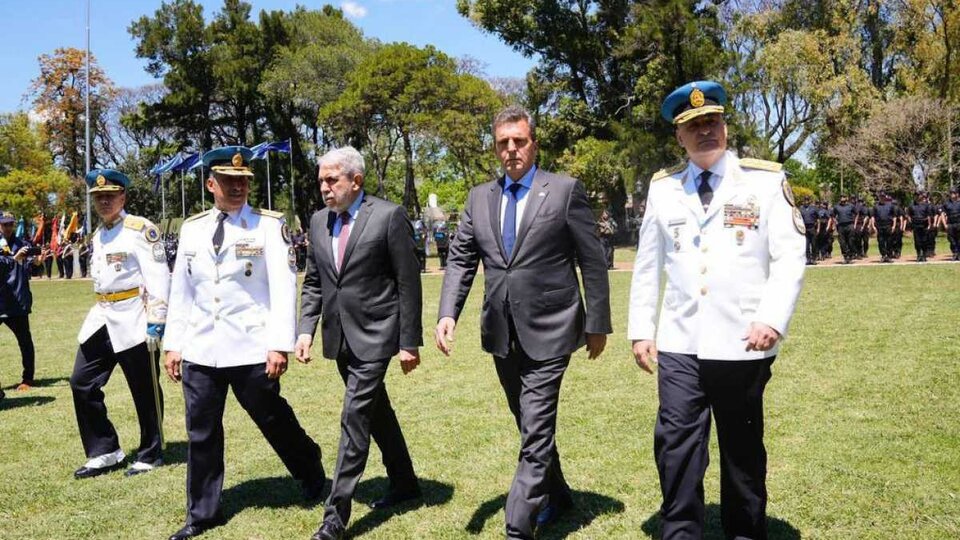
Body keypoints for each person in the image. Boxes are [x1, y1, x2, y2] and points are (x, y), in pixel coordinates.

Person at [629, 81, 806, 540]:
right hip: (680, 342)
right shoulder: (664, 189)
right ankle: (680, 532)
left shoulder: (764, 181)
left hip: (743, 340)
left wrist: (772, 318)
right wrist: (640, 330)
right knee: (676, 447)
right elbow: (648, 264)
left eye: (712, 121)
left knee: (741, 449)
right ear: (679, 137)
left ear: (725, 126)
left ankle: (744, 532)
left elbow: (790, 256)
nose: (705, 131)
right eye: (694, 126)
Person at [436, 105, 612, 540]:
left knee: (534, 429)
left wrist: (598, 322)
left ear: (534, 143)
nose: (511, 149)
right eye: (503, 143)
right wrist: (446, 313)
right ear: (495, 148)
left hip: (553, 326)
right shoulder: (480, 197)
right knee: (526, 420)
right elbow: (461, 258)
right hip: (501, 331)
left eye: (519, 140)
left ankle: (518, 527)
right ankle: (560, 495)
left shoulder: (565, 190)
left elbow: (591, 259)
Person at [163, 147, 324, 540]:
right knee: (200, 430)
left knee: (272, 418)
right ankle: (202, 514)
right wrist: (174, 343)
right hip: (202, 347)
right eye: (229, 181)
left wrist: (278, 344)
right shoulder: (192, 228)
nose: (237, 187)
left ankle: (311, 470)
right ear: (211, 184)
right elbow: (181, 290)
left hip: (252, 346)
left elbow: (284, 289)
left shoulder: (269, 226)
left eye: (244, 181)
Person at [295, 147, 423, 540]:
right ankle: (404, 482)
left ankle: (335, 516)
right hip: (339, 337)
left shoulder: (388, 216)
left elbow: (407, 281)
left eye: (332, 180)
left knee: (354, 418)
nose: (324, 187)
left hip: (378, 333)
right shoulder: (318, 222)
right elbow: (315, 282)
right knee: (375, 411)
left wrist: (409, 342)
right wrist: (305, 330)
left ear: (356, 180)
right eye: (321, 180)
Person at [70, 169, 170, 480]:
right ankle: (105, 450)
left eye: (110, 196)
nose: (103, 201)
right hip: (102, 316)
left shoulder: (140, 230)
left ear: (123, 197)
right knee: (81, 382)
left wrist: (157, 320)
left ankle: (150, 452)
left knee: (144, 389)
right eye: (98, 197)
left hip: (134, 316)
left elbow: (159, 277)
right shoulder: (98, 235)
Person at [0, 211, 45, 391]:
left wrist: (36, 264)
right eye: (4, 224)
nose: (8, 228)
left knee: (25, 341)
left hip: (16, 301)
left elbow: (33, 272)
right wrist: (13, 258)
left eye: (10, 224)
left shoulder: (23, 244)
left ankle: (28, 378)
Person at [872, 194, 899, 263]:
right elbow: (873, 217)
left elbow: (894, 216)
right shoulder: (876, 206)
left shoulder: (890, 205)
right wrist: (873, 226)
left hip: (888, 225)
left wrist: (893, 226)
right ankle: (883, 255)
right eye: (881, 197)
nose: (882, 198)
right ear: (879, 197)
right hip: (879, 226)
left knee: (889, 241)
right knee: (881, 242)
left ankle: (889, 256)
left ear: (885, 197)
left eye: (883, 197)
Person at [907, 191, 933, 262]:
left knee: (924, 241)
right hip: (916, 225)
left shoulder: (926, 205)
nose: (917, 197)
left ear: (921, 196)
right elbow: (908, 215)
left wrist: (929, 225)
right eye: (916, 195)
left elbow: (928, 216)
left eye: (918, 195)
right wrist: (910, 222)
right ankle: (919, 255)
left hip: (924, 225)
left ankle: (924, 255)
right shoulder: (911, 206)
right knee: (917, 241)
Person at [832, 194, 857, 264]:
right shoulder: (836, 207)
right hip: (841, 226)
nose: (842, 198)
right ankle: (846, 257)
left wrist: (854, 223)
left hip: (850, 225)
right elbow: (833, 216)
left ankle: (850, 255)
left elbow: (857, 214)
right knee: (842, 242)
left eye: (843, 197)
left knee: (851, 241)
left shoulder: (851, 206)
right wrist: (835, 222)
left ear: (847, 198)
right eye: (841, 197)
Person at [799, 197, 819, 265]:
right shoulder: (801, 209)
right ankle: (808, 259)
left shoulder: (814, 208)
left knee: (813, 244)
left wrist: (818, 228)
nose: (806, 202)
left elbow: (818, 219)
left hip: (812, 228)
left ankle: (814, 259)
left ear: (809, 201)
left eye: (807, 200)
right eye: (805, 200)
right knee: (806, 245)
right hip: (804, 229)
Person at [942, 188, 960, 261]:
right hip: (950, 224)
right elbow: (942, 214)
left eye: (953, 193)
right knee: (951, 240)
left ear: (957, 194)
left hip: (959, 223)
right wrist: (944, 224)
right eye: (951, 193)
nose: (951, 195)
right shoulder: (946, 203)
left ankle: (959, 253)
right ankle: (955, 253)